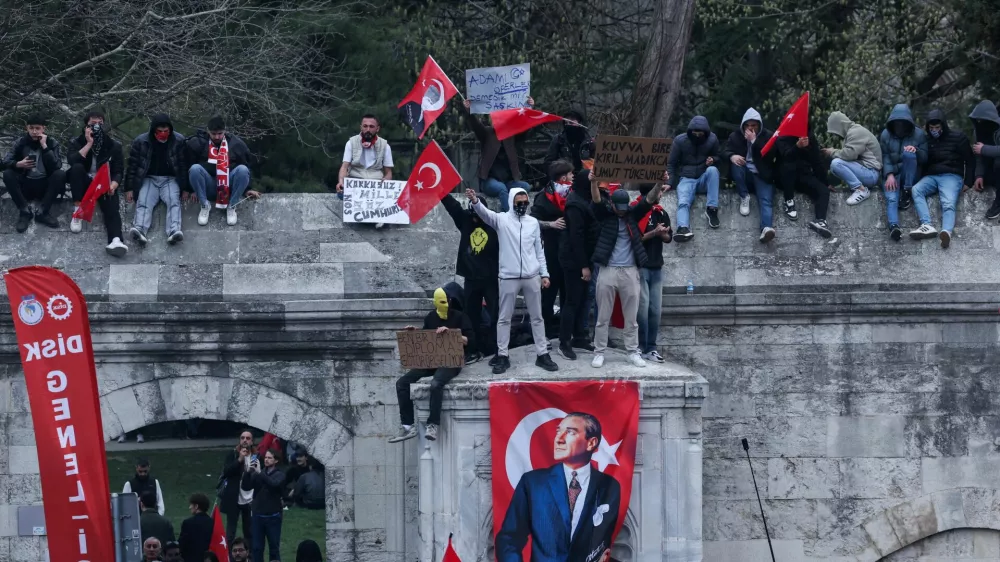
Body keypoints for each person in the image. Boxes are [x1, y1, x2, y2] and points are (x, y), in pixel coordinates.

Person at [496, 412, 621, 562]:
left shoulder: (610, 486)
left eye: (569, 432)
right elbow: (509, 539)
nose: (558, 439)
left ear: (591, 443)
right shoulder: (533, 483)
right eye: (558, 432)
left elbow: (601, 547)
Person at [467, 187, 559, 374]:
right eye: (519, 203)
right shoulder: (502, 220)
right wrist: (475, 201)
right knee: (504, 318)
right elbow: (485, 214)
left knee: (537, 317)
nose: (523, 206)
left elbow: (539, 251)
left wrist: (545, 274)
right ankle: (502, 355)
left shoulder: (533, 222)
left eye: (526, 202)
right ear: (511, 202)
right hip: (508, 277)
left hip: (531, 276)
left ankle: (542, 354)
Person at [589, 177, 664, 369]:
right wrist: (593, 182)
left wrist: (658, 183)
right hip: (607, 270)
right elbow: (596, 199)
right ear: (612, 204)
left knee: (632, 318)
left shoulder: (632, 214)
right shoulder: (604, 214)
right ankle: (599, 352)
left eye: (624, 207)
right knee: (602, 316)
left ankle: (633, 351)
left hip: (630, 271)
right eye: (618, 207)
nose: (621, 211)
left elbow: (649, 200)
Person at [389, 283, 474, 443]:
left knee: (436, 384)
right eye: (442, 302)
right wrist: (415, 333)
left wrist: (451, 335)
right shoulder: (430, 317)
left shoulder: (460, 316)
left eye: (448, 301)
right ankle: (408, 426)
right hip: (432, 359)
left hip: (450, 361)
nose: (446, 305)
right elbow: (427, 337)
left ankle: (433, 424)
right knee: (402, 383)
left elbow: (470, 341)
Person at [439, 192, 499, 361]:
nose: (474, 219)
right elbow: (453, 208)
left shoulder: (494, 223)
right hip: (471, 277)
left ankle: (496, 348)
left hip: (491, 278)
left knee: (496, 313)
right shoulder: (465, 220)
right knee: (471, 316)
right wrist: (441, 192)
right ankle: (473, 350)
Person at [909, 109, 976, 247]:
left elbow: (970, 160)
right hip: (932, 176)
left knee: (948, 202)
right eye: (931, 128)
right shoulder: (926, 140)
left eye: (937, 127)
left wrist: (968, 182)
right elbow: (923, 161)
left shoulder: (958, 138)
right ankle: (926, 225)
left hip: (951, 176)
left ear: (943, 126)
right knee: (916, 190)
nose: (934, 130)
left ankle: (946, 232)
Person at [65, 110, 128, 255]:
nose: (97, 127)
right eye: (93, 124)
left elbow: (118, 170)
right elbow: (72, 162)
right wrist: (88, 144)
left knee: (112, 205)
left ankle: (116, 239)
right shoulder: (76, 142)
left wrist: (114, 184)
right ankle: (77, 211)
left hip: (103, 183)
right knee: (77, 168)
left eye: (100, 124)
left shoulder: (113, 145)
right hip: (84, 182)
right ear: (86, 126)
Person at [557, 170, 600, 360]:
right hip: (574, 260)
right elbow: (576, 237)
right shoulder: (575, 204)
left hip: (584, 257)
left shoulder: (583, 199)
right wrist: (583, 265)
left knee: (582, 299)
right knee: (572, 301)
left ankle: (579, 337)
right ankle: (564, 342)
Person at [126, 113, 188, 245]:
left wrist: (186, 188)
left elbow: (183, 165)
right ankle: (140, 229)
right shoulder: (141, 141)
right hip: (149, 179)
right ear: (154, 130)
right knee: (143, 201)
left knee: (173, 201)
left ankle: (174, 231)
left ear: (170, 130)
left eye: (166, 131)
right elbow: (133, 166)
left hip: (170, 179)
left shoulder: (179, 140)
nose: (163, 134)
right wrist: (129, 188)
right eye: (160, 131)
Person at [187, 116, 260, 226]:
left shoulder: (236, 144)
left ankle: (231, 206)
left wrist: (247, 189)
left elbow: (247, 165)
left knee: (243, 170)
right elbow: (187, 164)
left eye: (220, 133)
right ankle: (204, 205)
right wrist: (191, 189)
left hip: (228, 185)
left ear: (225, 131)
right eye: (213, 134)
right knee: (195, 169)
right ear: (208, 131)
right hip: (209, 184)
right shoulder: (199, 143)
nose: (217, 137)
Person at [461, 98, 533, 212]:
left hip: (509, 182)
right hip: (490, 181)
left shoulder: (512, 135)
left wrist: (529, 108)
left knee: (525, 187)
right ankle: (507, 215)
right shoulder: (487, 133)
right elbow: (476, 125)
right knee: (501, 189)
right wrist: (469, 110)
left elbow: (526, 128)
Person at [722, 108, 779, 242]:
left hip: (762, 174)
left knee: (766, 200)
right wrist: (732, 156)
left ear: (759, 125)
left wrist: (754, 141)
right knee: (736, 164)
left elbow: (772, 155)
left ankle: (766, 228)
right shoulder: (735, 136)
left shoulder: (767, 136)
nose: (750, 128)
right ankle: (744, 196)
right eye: (747, 125)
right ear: (743, 126)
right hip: (744, 173)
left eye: (754, 125)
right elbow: (724, 151)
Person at [1, 114, 64, 232]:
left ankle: (43, 212)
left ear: (43, 129)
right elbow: (5, 161)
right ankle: (24, 211)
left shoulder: (51, 142)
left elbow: (57, 165)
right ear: (27, 128)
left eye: (37, 128)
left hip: (44, 185)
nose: (34, 131)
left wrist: (45, 147)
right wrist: (17, 164)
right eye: (31, 128)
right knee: (8, 174)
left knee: (60, 174)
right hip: (26, 184)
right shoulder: (21, 142)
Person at [667, 115, 721, 241]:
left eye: (700, 133)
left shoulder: (712, 139)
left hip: (703, 178)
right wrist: (669, 182)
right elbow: (671, 163)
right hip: (686, 178)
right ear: (690, 132)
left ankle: (712, 209)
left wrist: (713, 160)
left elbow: (720, 158)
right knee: (683, 201)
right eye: (695, 133)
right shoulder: (680, 141)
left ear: (705, 133)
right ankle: (683, 228)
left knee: (713, 170)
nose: (697, 136)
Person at [634, 182, 672, 363]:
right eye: (658, 191)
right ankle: (641, 347)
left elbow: (668, 238)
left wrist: (663, 233)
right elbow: (635, 239)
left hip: (657, 266)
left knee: (655, 310)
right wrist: (653, 233)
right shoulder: (636, 210)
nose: (661, 195)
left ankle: (651, 347)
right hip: (641, 266)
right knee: (642, 309)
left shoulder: (661, 212)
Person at [878, 104, 928, 240]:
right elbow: (884, 156)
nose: (899, 126)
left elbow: (925, 158)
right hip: (892, 174)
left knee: (909, 154)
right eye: (897, 123)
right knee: (891, 197)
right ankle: (894, 226)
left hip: (911, 174)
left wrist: (916, 151)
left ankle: (907, 190)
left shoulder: (919, 135)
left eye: (902, 122)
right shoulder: (885, 135)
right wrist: (889, 175)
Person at [532, 160, 572, 330]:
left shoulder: (574, 194)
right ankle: (545, 330)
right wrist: (551, 224)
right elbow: (532, 221)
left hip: (570, 252)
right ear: (563, 177)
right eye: (571, 174)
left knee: (568, 294)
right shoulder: (543, 196)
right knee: (548, 294)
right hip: (550, 252)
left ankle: (565, 331)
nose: (573, 177)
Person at [775, 128, 834, 238]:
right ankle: (789, 202)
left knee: (823, 191)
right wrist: (797, 147)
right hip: (784, 177)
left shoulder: (809, 136)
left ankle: (820, 221)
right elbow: (786, 156)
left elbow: (817, 161)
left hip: (803, 175)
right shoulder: (782, 134)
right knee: (789, 167)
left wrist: (825, 182)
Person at [823, 111, 882, 206]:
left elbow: (849, 155)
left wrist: (832, 152)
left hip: (871, 173)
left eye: (835, 131)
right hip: (868, 171)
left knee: (836, 164)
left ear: (839, 126)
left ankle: (861, 190)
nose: (836, 135)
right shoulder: (852, 132)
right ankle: (859, 187)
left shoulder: (855, 132)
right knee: (835, 167)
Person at [241, 449, 286, 562]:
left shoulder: (280, 475)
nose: (266, 459)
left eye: (269, 458)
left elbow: (273, 484)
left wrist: (259, 472)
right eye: (265, 457)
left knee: (274, 549)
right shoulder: (258, 473)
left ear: (276, 460)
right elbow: (246, 487)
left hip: (273, 517)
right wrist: (247, 472)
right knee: (256, 548)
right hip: (257, 516)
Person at [335, 114, 393, 192]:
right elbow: (344, 167)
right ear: (361, 127)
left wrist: (386, 182)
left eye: (371, 126)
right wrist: (341, 182)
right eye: (365, 126)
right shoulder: (351, 143)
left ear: (377, 128)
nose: (368, 129)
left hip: (376, 184)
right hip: (354, 181)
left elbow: (388, 172)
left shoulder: (385, 146)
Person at [220, 431, 255, 546]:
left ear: (252, 441)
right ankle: (229, 556)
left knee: (249, 531)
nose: (245, 440)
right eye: (242, 438)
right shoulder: (233, 454)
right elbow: (226, 472)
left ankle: (248, 556)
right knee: (230, 532)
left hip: (249, 499)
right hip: (234, 498)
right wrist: (239, 459)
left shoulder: (256, 456)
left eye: (248, 438)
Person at [970, 100, 1000, 219]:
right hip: (990, 171)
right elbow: (978, 156)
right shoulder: (978, 132)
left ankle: (998, 203)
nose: (980, 122)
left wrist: (984, 149)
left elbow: (982, 150)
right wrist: (979, 175)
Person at [179, 493, 214, 562]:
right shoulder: (212, 522)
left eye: (191, 505)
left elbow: (182, 544)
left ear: (196, 506)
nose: (189, 507)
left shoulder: (188, 523)